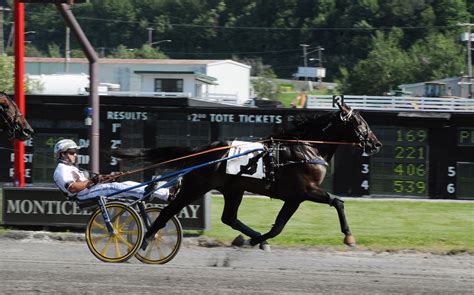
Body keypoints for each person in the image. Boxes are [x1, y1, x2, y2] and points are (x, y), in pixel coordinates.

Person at [52, 139, 180, 202]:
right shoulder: (61, 170)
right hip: (83, 194)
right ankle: (163, 194)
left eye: (75, 152)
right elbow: (72, 188)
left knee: (126, 184)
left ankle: (165, 192)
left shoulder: (70, 167)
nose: (75, 155)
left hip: (89, 190)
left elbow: (89, 181)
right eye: (72, 152)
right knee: (119, 187)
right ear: (62, 154)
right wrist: (92, 181)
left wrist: (105, 177)